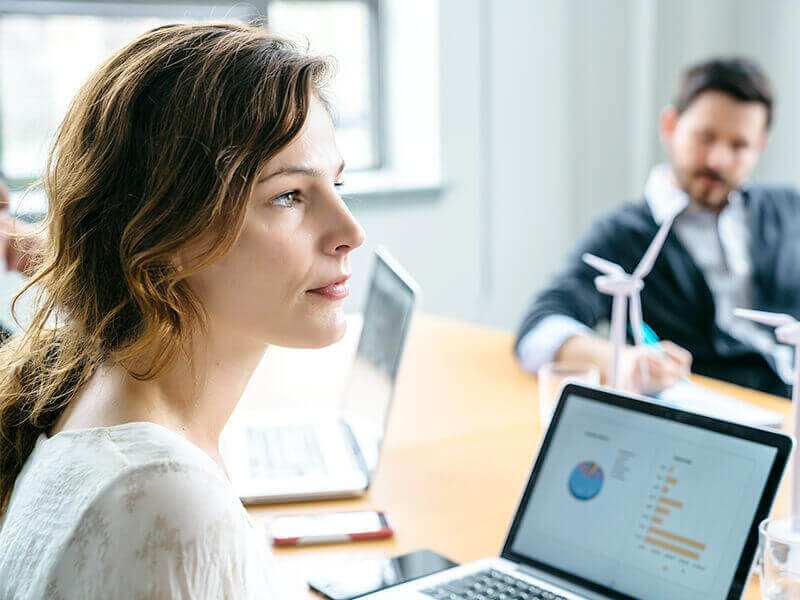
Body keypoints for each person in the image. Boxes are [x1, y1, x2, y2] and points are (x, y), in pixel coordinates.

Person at [0, 23, 365, 599]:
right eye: (289, 196)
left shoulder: (97, 398)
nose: (350, 232)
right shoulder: (167, 502)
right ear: (168, 231)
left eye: (339, 185)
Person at [516, 57, 798, 398]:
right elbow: (539, 329)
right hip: (721, 417)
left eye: (739, 146)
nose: (717, 160)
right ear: (670, 125)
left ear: (760, 146)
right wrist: (623, 361)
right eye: (704, 138)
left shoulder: (788, 208)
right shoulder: (624, 235)